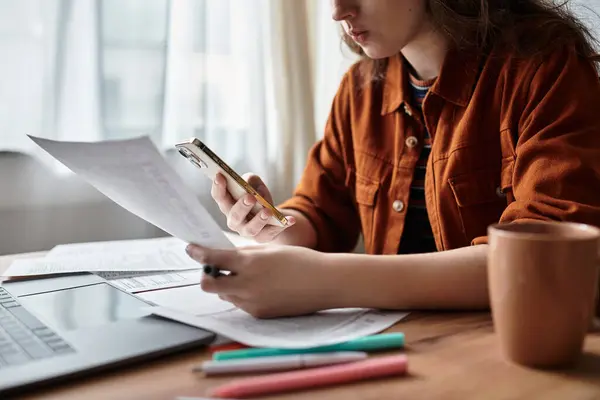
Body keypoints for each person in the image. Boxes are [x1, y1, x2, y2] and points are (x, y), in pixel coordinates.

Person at [186, 0, 600, 319]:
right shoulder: (360, 89)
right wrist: (271, 222)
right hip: (403, 339)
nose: (337, 11)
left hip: (505, 344)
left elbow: (545, 256)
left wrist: (327, 281)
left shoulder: (545, 68)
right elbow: (319, 215)